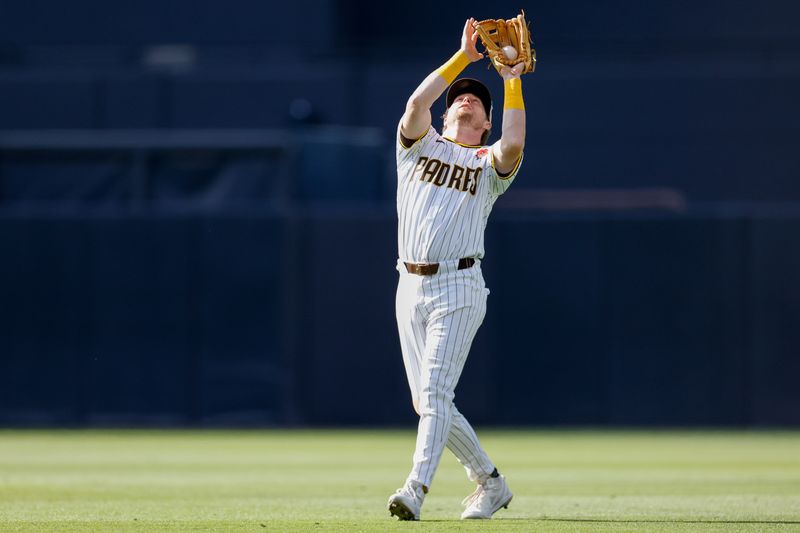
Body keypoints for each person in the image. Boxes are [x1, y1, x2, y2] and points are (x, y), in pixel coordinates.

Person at [387, 17, 527, 521]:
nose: (466, 100)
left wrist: (510, 79)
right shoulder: (418, 145)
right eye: (460, 98)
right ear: (448, 114)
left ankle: (416, 489)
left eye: (476, 101)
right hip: (409, 283)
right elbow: (415, 105)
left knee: (434, 394)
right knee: (429, 405)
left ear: (485, 121)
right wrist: (463, 59)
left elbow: (514, 143)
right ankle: (490, 482)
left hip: (459, 285)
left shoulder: (489, 161)